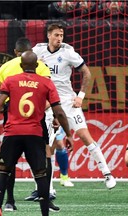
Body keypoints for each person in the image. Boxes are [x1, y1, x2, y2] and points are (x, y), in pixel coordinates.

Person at [0, 50, 73, 216]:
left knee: (4, 170)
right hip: (35, 133)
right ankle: (44, 213)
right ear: (38, 65)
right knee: (40, 174)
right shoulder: (46, 83)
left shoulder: (10, 81)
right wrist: (68, 134)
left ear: (20, 65)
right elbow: (59, 111)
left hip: (12, 133)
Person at [32, 22, 116, 190]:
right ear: (48, 35)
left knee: (85, 136)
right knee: (49, 144)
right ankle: (47, 188)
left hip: (68, 102)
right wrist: (36, 64)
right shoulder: (37, 51)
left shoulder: (68, 52)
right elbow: (22, 66)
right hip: (48, 104)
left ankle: (107, 173)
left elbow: (87, 73)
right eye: (56, 35)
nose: (59, 38)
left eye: (61, 35)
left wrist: (80, 96)